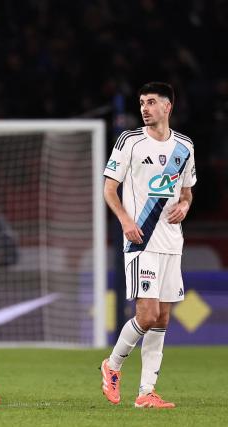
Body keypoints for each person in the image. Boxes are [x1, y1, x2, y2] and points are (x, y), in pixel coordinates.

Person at [101, 82, 196, 408]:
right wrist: (126, 221)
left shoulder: (184, 147)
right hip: (141, 240)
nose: (145, 108)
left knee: (163, 319)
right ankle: (112, 366)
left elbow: (186, 190)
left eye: (152, 102)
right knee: (148, 312)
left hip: (172, 242)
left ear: (167, 107)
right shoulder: (130, 141)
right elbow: (109, 189)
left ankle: (146, 393)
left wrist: (185, 204)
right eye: (142, 102)